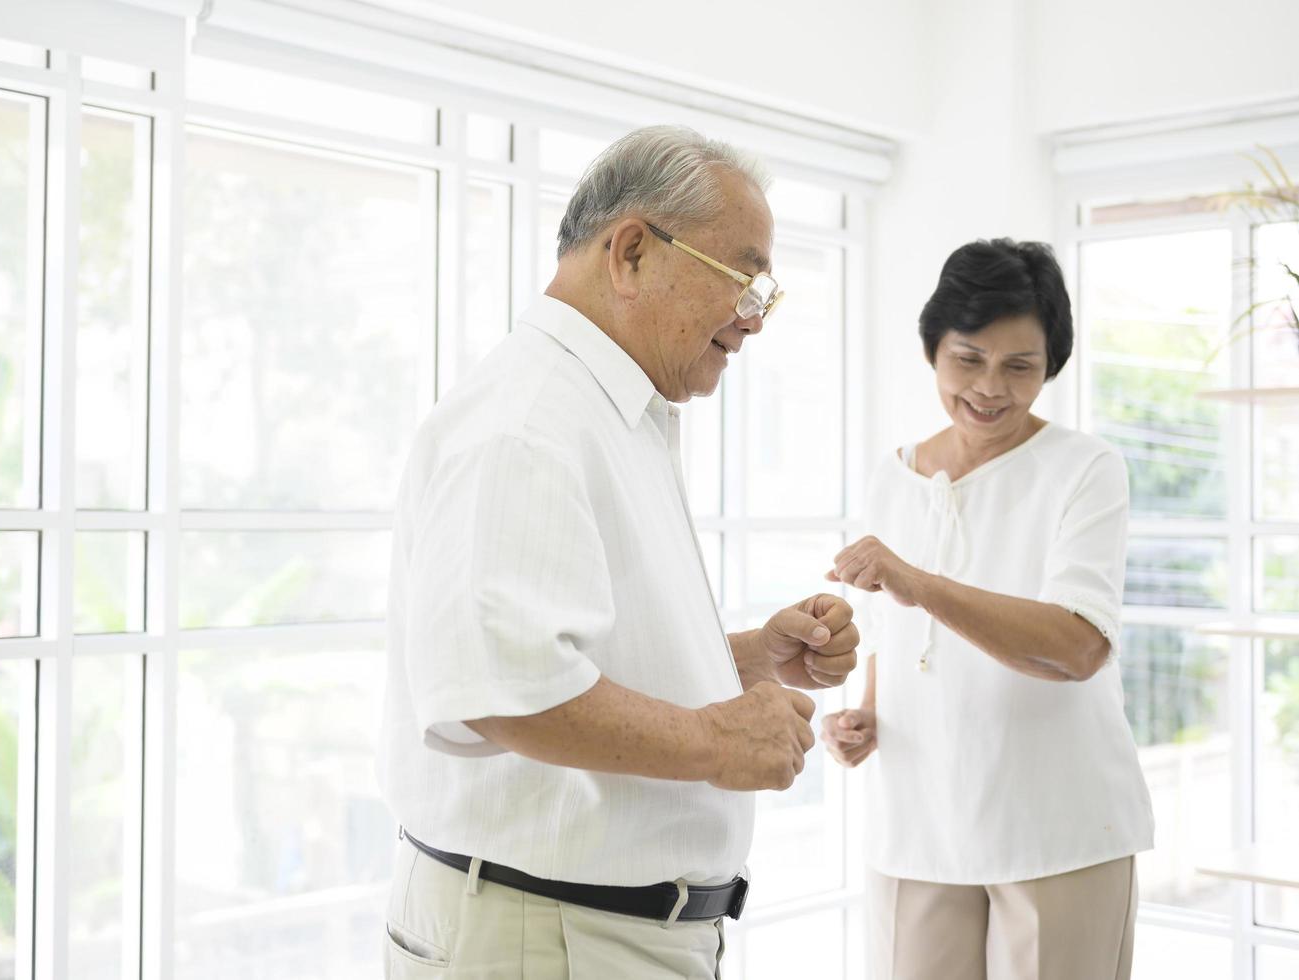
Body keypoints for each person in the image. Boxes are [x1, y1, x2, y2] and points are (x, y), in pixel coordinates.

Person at [378, 125, 860, 978]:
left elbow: (565, 651)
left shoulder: (604, 412)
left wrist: (748, 658)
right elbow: (503, 693)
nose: (752, 319)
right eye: (742, 281)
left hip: (580, 933)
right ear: (632, 252)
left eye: (764, 292)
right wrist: (719, 739)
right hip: (551, 939)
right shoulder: (526, 426)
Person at [819, 238, 1154, 980]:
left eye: (1019, 367)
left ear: (1050, 366)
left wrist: (919, 583)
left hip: (1059, 829)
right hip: (915, 824)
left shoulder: (1084, 469)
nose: (989, 388)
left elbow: (1075, 648)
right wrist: (861, 718)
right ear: (932, 348)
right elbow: (885, 637)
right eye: (966, 359)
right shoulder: (891, 475)